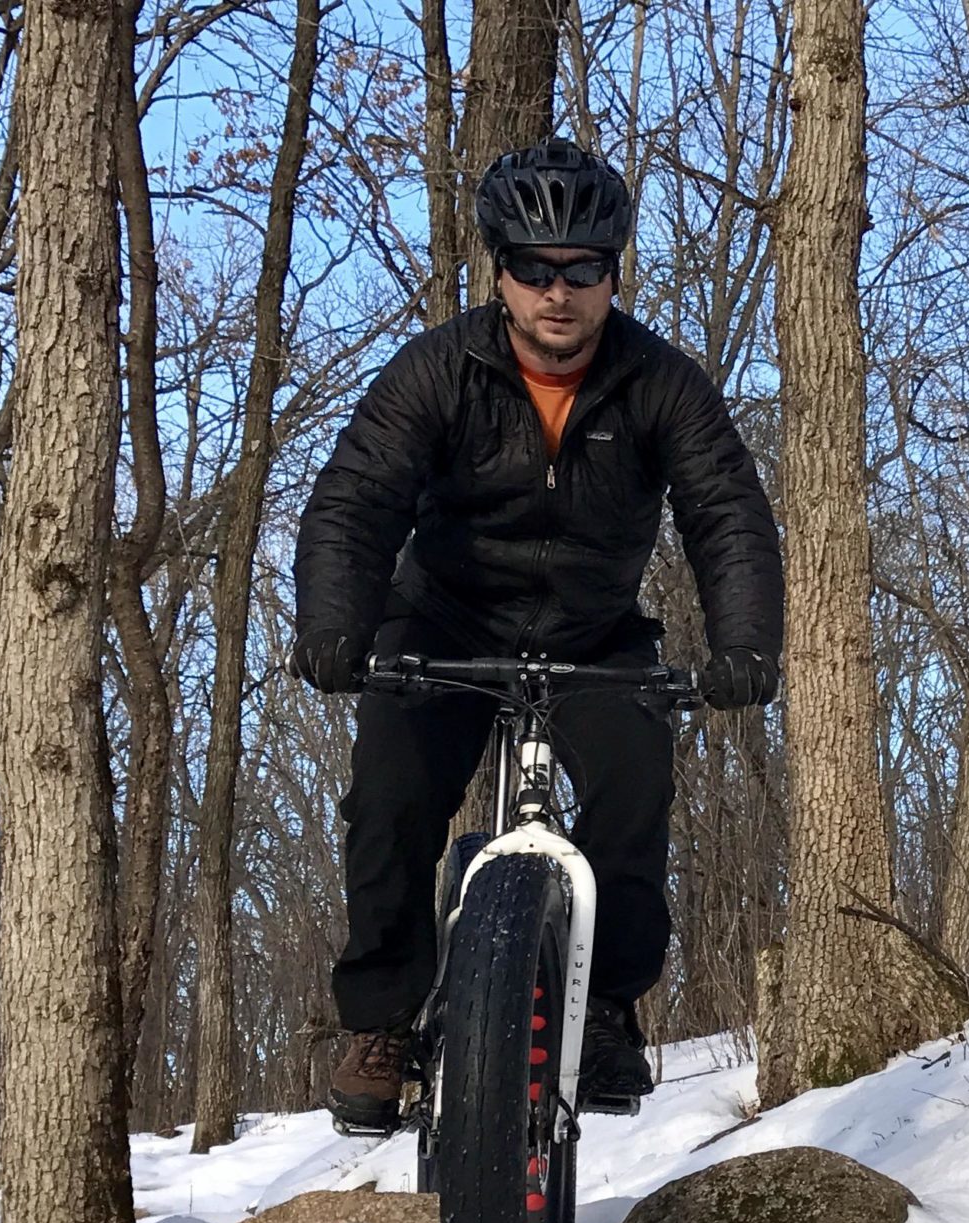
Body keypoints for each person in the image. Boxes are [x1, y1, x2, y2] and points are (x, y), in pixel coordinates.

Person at [292, 139, 782, 1133]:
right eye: (534, 268)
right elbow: (354, 501)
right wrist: (338, 625)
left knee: (635, 790)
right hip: (442, 624)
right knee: (389, 800)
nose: (557, 292)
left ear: (612, 271)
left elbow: (726, 511)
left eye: (583, 269)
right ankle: (383, 1022)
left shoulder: (661, 383)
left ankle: (603, 1009)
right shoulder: (437, 372)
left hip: (595, 635)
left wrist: (744, 644)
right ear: (499, 270)